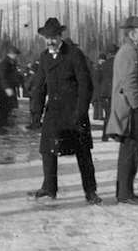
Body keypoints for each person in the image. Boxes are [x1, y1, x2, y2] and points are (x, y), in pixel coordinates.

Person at [29, 18, 100, 205]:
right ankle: (49, 188)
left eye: (53, 37)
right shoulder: (44, 57)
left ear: (60, 36)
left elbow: (86, 85)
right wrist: (36, 111)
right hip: (53, 112)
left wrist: (81, 111)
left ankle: (90, 191)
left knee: (83, 152)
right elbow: (39, 85)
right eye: (47, 38)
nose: (50, 41)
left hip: (74, 111)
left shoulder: (74, 54)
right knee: (48, 150)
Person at [106, 16, 138, 205]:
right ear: (132, 33)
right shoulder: (129, 52)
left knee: (130, 151)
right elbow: (129, 81)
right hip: (130, 110)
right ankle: (124, 194)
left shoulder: (131, 50)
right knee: (130, 151)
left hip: (130, 107)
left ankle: (125, 191)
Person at [0, 46, 21, 135]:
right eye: (16, 55)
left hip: (10, 88)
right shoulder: (5, 63)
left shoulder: (11, 63)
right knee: (3, 108)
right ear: (11, 54)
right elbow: (2, 77)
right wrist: (7, 88)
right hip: (4, 89)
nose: (17, 57)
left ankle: (3, 125)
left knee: (8, 108)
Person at [99, 44, 118, 142]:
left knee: (107, 114)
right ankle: (113, 134)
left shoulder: (104, 64)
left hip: (104, 92)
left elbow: (99, 78)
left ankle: (105, 135)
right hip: (114, 92)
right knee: (114, 114)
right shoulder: (118, 63)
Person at [91, 53, 106, 121]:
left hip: (95, 86)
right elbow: (99, 77)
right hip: (99, 86)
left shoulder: (95, 67)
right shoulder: (100, 67)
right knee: (99, 102)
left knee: (96, 102)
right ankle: (99, 116)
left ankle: (95, 116)